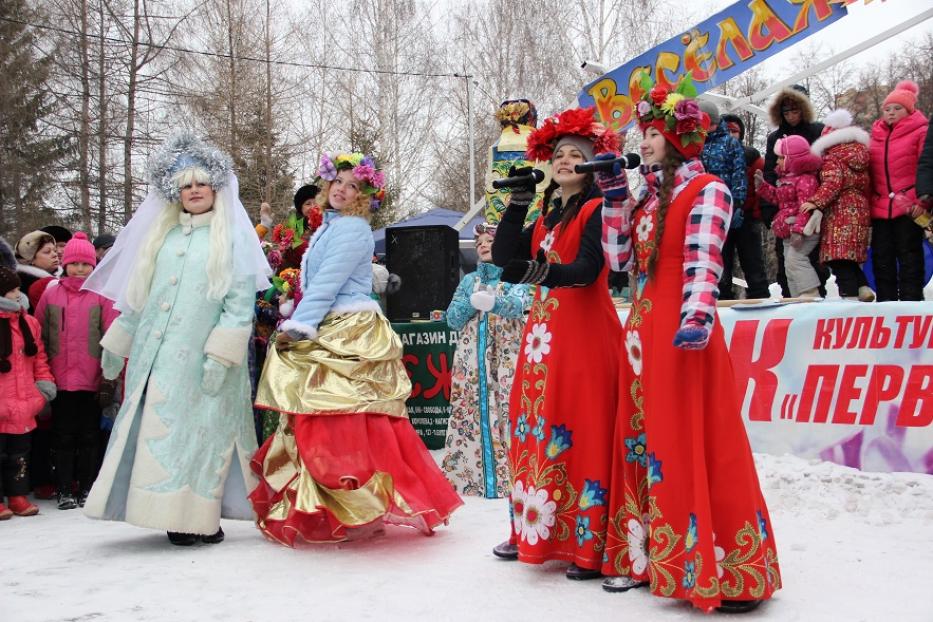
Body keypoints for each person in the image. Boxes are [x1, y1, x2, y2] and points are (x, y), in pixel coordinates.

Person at [597, 77, 781, 613]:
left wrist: (698, 317)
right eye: (642, 132)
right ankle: (650, 555)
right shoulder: (649, 196)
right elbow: (620, 262)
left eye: (652, 132)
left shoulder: (709, 190)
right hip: (645, 327)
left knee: (694, 437)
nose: (645, 141)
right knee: (645, 440)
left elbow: (705, 261)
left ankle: (723, 566)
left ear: (680, 139)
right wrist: (613, 200)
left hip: (683, 328)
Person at [250, 152, 462, 546]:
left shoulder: (352, 230)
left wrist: (300, 324)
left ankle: (353, 506)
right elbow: (315, 284)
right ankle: (339, 505)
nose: (342, 191)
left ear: (363, 196)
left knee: (342, 416)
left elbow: (328, 283)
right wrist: (296, 312)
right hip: (331, 323)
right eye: (338, 183)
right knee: (331, 415)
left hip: (347, 328)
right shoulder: (331, 227)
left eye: (353, 187)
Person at [81, 132, 271, 546]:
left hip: (205, 360)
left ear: (216, 188)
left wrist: (220, 357)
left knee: (203, 438)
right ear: (175, 192)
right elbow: (138, 298)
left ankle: (201, 517)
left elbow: (239, 307)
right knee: (160, 435)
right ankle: (166, 514)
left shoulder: (232, 238)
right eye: (186, 185)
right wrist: (118, 342)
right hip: (158, 359)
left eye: (202, 183)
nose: (195, 190)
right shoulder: (160, 237)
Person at [490, 107, 621, 580]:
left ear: (589, 166)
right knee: (535, 427)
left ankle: (587, 543)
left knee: (580, 429)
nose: (565, 160)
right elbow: (505, 257)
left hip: (584, 337)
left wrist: (539, 272)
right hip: (544, 340)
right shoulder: (547, 217)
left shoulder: (597, 209)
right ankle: (534, 529)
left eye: (575, 155)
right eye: (560, 155)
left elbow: (587, 272)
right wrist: (519, 204)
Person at [441, 222, 530, 498]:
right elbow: (452, 319)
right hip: (473, 361)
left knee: (508, 406)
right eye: (479, 242)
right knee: (473, 408)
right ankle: (472, 478)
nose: (482, 245)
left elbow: (519, 305)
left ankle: (514, 476)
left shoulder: (515, 275)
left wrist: (495, 303)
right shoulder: (469, 281)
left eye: (489, 241)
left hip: (506, 357)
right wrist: (470, 302)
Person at [34, 233, 119, 510]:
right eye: (75, 264)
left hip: (91, 381)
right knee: (62, 436)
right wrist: (43, 375)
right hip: (59, 381)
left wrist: (108, 377)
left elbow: (112, 336)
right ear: (66, 264)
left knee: (89, 436)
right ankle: (64, 487)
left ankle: (86, 486)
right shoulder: (51, 294)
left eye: (86, 264)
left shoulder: (101, 295)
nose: (80, 270)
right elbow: (39, 336)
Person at [0, 264, 56, 520]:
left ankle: (18, 495)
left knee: (20, 454)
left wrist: (43, 387)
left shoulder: (29, 322)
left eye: (16, 289)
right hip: (2, 402)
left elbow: (40, 358)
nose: (16, 295)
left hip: (24, 401)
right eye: (10, 291)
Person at [801, 109, 873, 301]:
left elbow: (833, 183)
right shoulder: (862, 156)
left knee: (838, 258)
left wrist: (815, 201)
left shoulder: (833, 157)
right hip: (860, 209)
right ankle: (863, 287)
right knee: (850, 257)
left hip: (840, 212)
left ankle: (849, 299)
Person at [868, 80, 930, 301]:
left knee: (910, 256)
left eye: (897, 108)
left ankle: (911, 302)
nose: (891, 113)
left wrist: (921, 203)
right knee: (881, 257)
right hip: (880, 207)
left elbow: (925, 166)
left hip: (909, 205)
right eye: (887, 109)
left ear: (909, 110)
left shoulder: (921, 131)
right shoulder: (875, 135)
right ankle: (885, 303)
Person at [763, 85, 827, 296]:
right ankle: (792, 298)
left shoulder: (817, 131)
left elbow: (826, 169)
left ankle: (813, 295)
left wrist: (822, 200)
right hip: (784, 208)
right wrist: (770, 212)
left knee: (806, 258)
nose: (791, 116)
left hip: (811, 205)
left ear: (804, 109)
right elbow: (770, 175)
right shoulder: (775, 138)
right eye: (786, 112)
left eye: (795, 111)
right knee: (786, 262)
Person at [754, 135, 823, 297]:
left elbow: (805, 208)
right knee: (788, 264)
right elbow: (779, 199)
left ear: (792, 158)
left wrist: (799, 231)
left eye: (781, 157)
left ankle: (810, 293)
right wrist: (763, 187)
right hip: (788, 231)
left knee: (796, 260)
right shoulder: (787, 179)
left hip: (804, 231)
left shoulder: (806, 180)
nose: (777, 161)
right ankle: (797, 296)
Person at [484, 99, 549, 226]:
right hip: (535, 229)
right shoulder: (541, 145)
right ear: (532, 118)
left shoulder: (495, 147)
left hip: (500, 227)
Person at [14, 230, 59, 305]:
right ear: (30, 259)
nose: (55, 255)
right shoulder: (21, 286)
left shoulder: (63, 277)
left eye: (55, 250)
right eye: (47, 252)